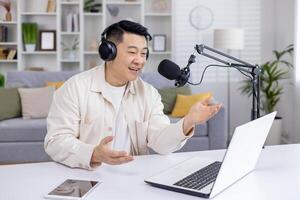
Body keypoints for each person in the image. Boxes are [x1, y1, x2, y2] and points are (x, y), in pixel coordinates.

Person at [44, 20, 222, 170]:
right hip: (89, 175)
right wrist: (93, 154)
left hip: (134, 176)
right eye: (132, 52)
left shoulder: (149, 94)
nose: (140, 60)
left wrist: (187, 122)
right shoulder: (75, 88)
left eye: (143, 54)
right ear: (108, 52)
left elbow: (160, 142)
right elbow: (55, 141)